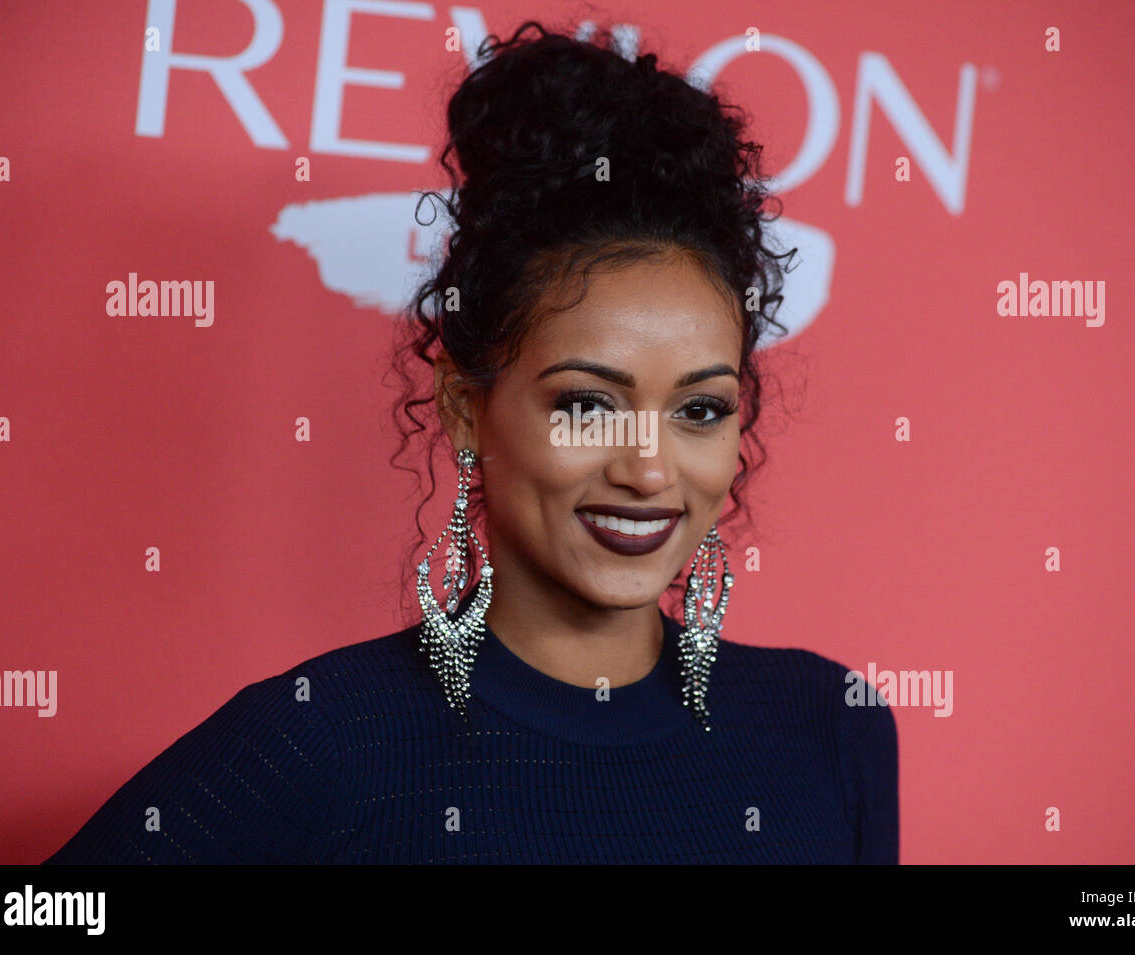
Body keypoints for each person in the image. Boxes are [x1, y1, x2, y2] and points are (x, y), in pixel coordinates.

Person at [44, 19, 897, 864]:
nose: (648, 467)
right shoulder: (323, 739)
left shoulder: (832, 727)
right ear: (465, 408)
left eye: (700, 410)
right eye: (587, 404)